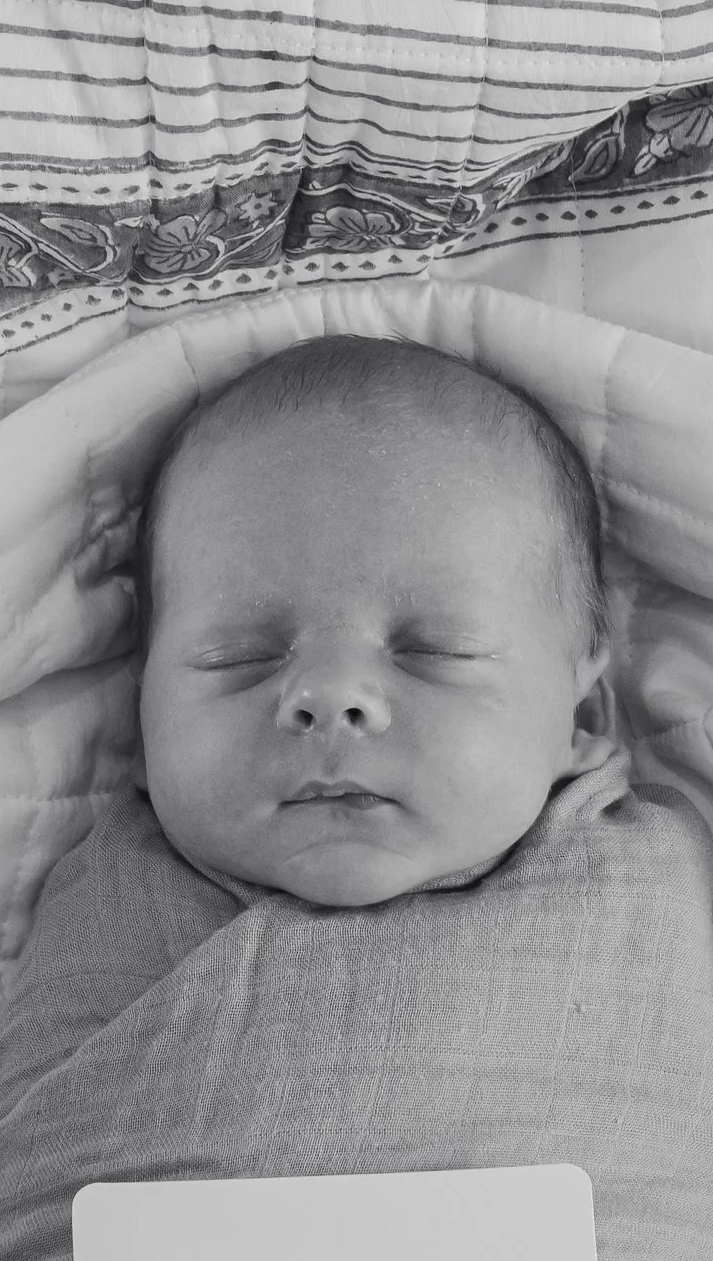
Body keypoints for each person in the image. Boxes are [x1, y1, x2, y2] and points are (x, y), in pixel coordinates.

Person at [130, 333, 620, 907]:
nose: (329, 695)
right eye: (237, 658)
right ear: (140, 723)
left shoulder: (635, 878)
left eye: (439, 649)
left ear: (579, 711)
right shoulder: (106, 905)